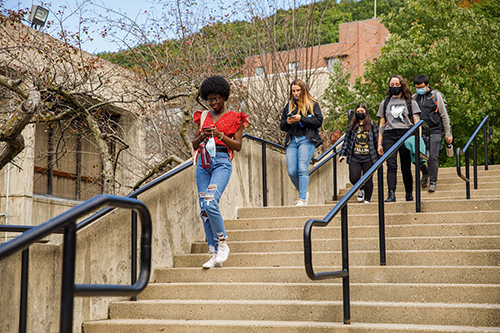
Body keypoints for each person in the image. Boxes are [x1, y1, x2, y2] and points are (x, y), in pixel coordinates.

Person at [192, 75, 249, 269]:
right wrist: (202, 135)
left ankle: (223, 243)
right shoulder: (203, 117)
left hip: (222, 162)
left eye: (217, 98)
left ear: (224, 97)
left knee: (210, 202)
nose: (214, 102)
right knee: (203, 210)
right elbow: (193, 143)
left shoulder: (236, 118)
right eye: (210, 99)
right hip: (203, 163)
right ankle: (213, 252)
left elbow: (238, 146)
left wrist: (221, 135)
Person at [377, 75, 421, 202]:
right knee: (391, 165)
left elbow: (417, 122)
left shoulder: (410, 102)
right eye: (392, 84)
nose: (394, 87)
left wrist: (418, 140)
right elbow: (382, 124)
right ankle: (391, 193)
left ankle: (409, 193)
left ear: (402, 85)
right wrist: (380, 143)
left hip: (406, 134)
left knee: (405, 166)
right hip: (390, 135)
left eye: (397, 84)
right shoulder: (385, 103)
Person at [280, 79, 323, 206]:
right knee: (292, 171)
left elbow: (318, 121)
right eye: (293, 91)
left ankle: (302, 199)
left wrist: (302, 118)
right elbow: (282, 125)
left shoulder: (313, 103)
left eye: (298, 90)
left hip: (306, 139)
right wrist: (287, 122)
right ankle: (303, 192)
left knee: (302, 169)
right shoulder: (289, 105)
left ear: (303, 90)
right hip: (292, 140)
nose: (296, 93)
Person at [414, 75, 452, 192]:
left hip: (435, 130)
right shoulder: (415, 98)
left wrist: (448, 133)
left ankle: (433, 181)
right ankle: (425, 173)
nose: (419, 89)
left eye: (421, 87)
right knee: (417, 157)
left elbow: (444, 115)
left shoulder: (436, 95)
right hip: (421, 131)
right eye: (417, 87)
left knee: (432, 156)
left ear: (427, 85)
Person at [339, 103, 379, 203]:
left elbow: (376, 140)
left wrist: (379, 157)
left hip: (369, 156)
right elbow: (347, 141)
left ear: (366, 112)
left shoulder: (372, 124)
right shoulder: (352, 126)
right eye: (358, 112)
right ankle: (361, 188)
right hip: (355, 156)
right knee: (353, 177)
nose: (360, 113)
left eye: (362, 112)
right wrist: (343, 154)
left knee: (368, 178)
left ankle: (367, 199)